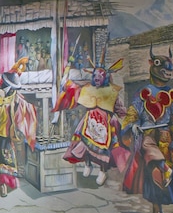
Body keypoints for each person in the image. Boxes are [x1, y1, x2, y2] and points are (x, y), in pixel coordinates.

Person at [120, 48, 173, 213]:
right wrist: (133, 125)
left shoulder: (171, 94)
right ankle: (156, 211)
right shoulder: (142, 93)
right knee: (152, 176)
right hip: (148, 137)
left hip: (166, 140)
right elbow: (131, 114)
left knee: (172, 174)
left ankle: (172, 191)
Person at [53, 57, 126, 186]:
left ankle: (103, 171)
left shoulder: (111, 92)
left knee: (103, 148)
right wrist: (66, 75)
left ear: (105, 78)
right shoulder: (87, 88)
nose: (97, 78)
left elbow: (119, 108)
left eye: (100, 75)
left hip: (105, 123)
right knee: (84, 144)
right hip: (89, 120)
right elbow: (73, 90)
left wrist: (126, 115)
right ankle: (88, 164)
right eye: (95, 75)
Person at [0, 57, 37, 197]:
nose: (10, 89)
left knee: (6, 160)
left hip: (6, 134)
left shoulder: (15, 98)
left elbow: (23, 109)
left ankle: (3, 185)